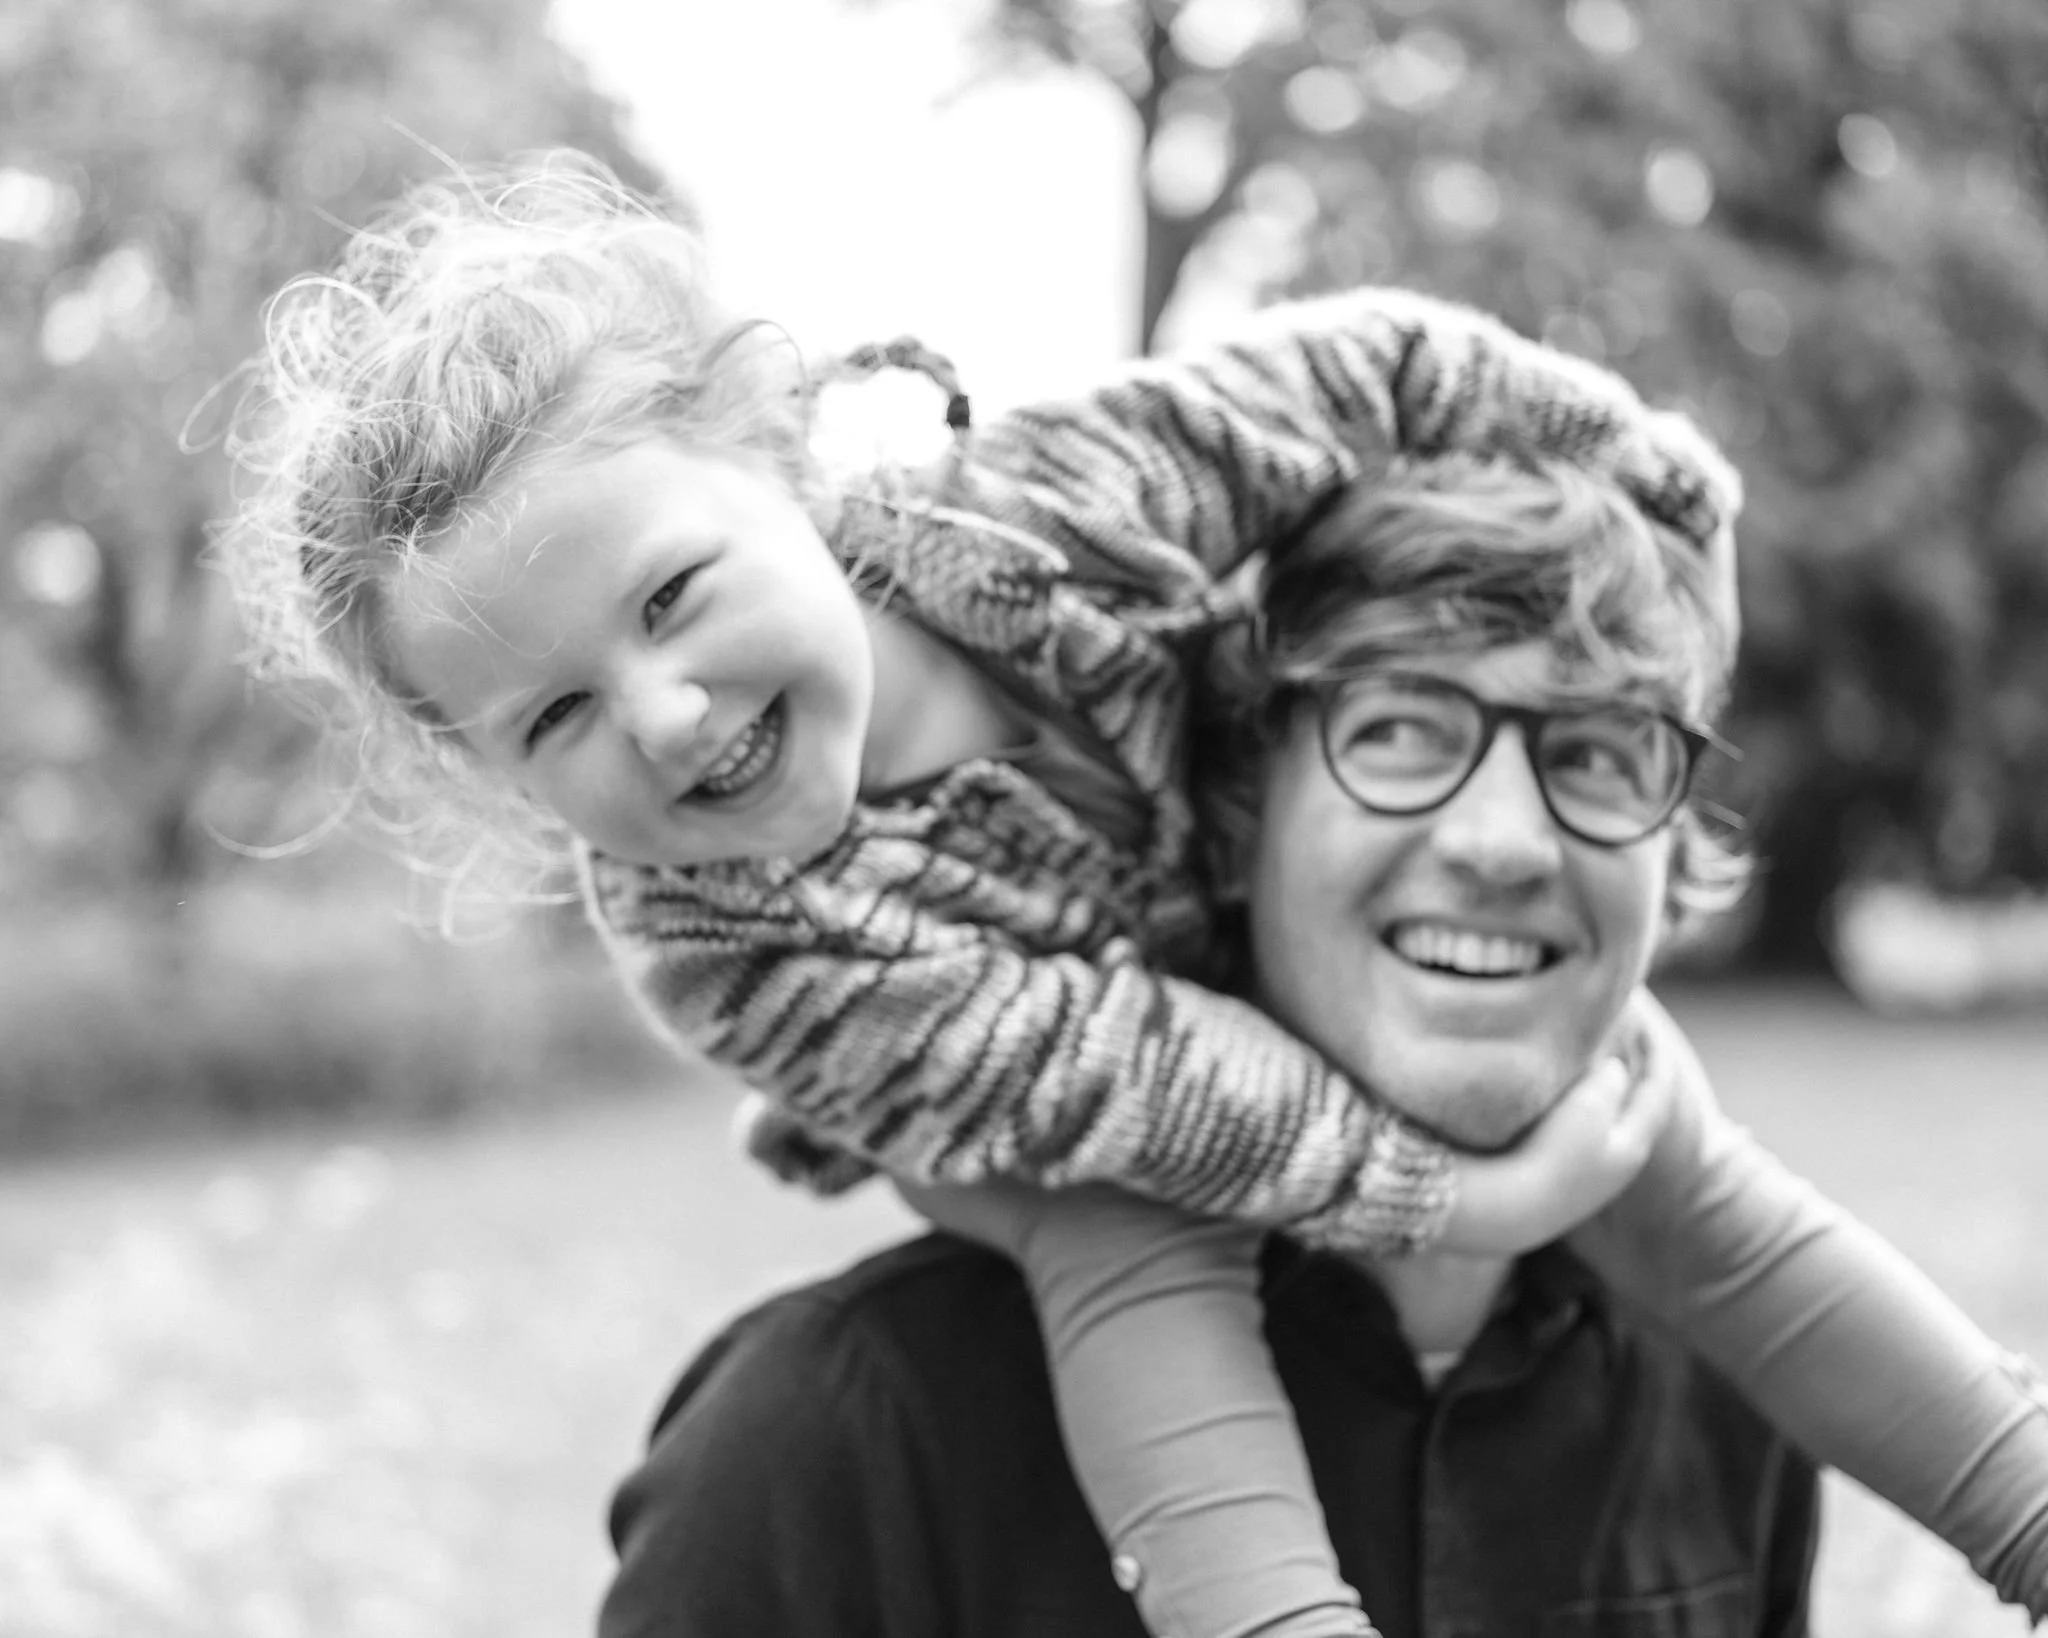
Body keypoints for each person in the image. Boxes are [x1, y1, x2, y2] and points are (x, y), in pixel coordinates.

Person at [221, 151, 2048, 1638]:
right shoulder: (730, 948)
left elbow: (1377, 368)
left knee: (1684, 1168)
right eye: (555, 714)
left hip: (1213, 940)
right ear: (494, 772)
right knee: (1133, 1245)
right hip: (1033, 1104)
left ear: (781, 455)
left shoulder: (1057, 505)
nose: (665, 713)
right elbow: (1140, 1076)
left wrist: (1643, 465)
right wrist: (1463, 1192)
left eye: (671, 596)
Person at [595, 453, 1833, 1638]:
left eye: (1597, 751)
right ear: (1232, 815)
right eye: (1397, 731)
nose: (1503, 844)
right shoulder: (830, 1450)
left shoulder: (1726, 1410)